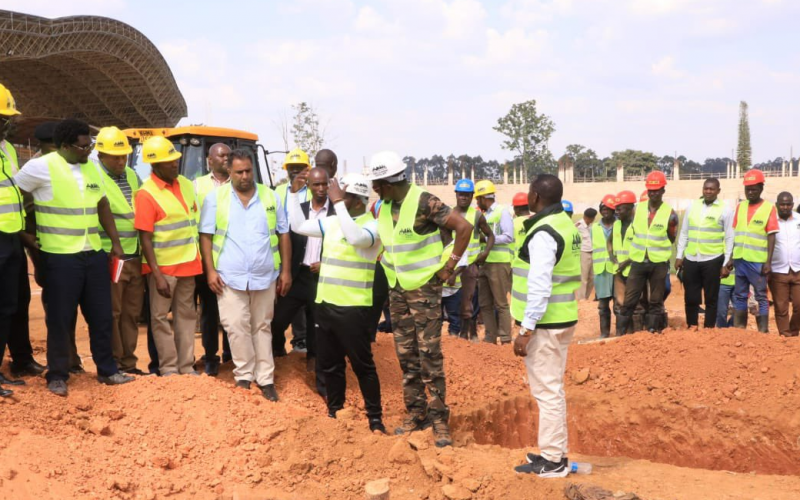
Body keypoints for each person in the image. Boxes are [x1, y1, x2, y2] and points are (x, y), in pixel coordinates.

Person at [14, 118, 134, 396]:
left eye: (90, 144)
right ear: (64, 146)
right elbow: (12, 197)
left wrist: (114, 242)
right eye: (83, 146)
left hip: (93, 254)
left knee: (101, 316)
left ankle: (107, 370)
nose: (89, 150)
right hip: (59, 257)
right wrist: (24, 234)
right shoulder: (40, 168)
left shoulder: (91, 167)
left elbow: (102, 203)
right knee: (60, 318)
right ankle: (57, 375)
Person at [369, 150, 471, 447]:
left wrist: (449, 266)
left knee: (429, 355)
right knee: (406, 355)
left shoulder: (426, 202)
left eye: (378, 184)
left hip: (424, 290)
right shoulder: (383, 207)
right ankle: (416, 413)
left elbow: (463, 229)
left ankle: (439, 420)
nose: (375, 189)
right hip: (397, 289)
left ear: (390, 182)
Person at [291, 173, 386, 432]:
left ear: (357, 200)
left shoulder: (374, 227)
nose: (335, 200)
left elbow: (356, 238)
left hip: (354, 310)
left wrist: (339, 203)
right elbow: (299, 226)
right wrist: (292, 194)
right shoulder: (333, 222)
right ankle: (335, 411)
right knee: (330, 364)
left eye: (343, 197)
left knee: (362, 365)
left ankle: (375, 419)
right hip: (326, 306)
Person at [199, 149, 291, 399]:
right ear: (229, 171)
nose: (244, 176)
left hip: (265, 275)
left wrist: (286, 271)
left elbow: (283, 233)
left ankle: (266, 378)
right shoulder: (215, 199)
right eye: (239, 171)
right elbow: (205, 236)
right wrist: (209, 271)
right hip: (229, 276)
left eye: (248, 171)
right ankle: (243, 375)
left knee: (262, 326)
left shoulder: (270, 197)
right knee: (236, 326)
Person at [511, 174, 580, 478]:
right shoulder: (565, 223)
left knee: (548, 392)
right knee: (551, 389)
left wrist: (525, 330)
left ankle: (553, 461)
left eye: (529, 191)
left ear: (536, 196)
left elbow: (539, 286)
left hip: (545, 324)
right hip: (561, 318)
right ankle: (553, 453)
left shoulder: (543, 231)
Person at [135, 136, 201, 376]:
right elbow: (145, 238)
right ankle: (169, 368)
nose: (175, 164)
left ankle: (186, 366)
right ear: (155, 165)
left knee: (186, 318)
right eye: (169, 161)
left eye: (175, 160)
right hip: (163, 270)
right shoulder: (146, 194)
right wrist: (157, 274)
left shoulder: (185, 183)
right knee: (160, 319)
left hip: (189, 265)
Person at [273, 167, 332, 396]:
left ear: (329, 184)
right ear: (309, 186)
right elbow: (285, 238)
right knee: (278, 320)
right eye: (315, 185)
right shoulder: (299, 210)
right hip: (297, 276)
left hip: (321, 278)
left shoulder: (337, 213)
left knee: (317, 324)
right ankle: (277, 352)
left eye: (323, 184)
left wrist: (325, 264)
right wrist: (285, 271)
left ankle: (314, 361)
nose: (320, 189)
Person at [94, 127, 146, 375]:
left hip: (134, 256)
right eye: (115, 157)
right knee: (112, 313)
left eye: (124, 156)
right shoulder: (94, 176)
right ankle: (114, 363)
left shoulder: (133, 176)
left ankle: (129, 363)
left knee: (131, 314)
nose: (120, 161)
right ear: (101, 155)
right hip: (111, 257)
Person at [0, 84, 40, 396]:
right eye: (2, 118)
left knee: (15, 303)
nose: (7, 124)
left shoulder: (8, 149)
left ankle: (20, 359)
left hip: (12, 237)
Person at [617, 171, 678, 334]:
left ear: (663, 190)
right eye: (651, 190)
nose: (653, 193)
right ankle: (620, 333)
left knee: (656, 301)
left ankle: (652, 332)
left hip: (658, 263)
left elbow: (672, 237)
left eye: (657, 190)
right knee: (629, 300)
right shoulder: (637, 210)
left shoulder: (670, 213)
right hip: (638, 262)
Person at [674, 178, 733, 330]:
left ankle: (708, 328)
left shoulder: (725, 210)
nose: (708, 191)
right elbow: (684, 233)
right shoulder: (692, 207)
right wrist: (679, 255)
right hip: (692, 258)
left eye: (712, 189)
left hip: (712, 259)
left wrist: (726, 263)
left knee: (711, 297)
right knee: (691, 297)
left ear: (718, 191)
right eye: (706, 188)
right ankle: (692, 325)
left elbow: (729, 237)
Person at [194, 143, 232, 375]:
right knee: (209, 311)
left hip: (230, 258)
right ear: (210, 160)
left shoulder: (240, 184)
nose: (226, 158)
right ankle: (211, 357)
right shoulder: (197, 185)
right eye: (221, 155)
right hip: (206, 258)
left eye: (229, 154)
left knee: (232, 310)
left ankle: (230, 354)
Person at [273, 148, 313, 354]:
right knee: (283, 299)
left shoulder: (314, 191)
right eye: (292, 169)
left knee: (304, 301)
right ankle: (277, 347)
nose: (296, 173)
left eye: (300, 168)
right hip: (283, 250)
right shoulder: (278, 192)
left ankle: (301, 340)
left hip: (306, 249)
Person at [732, 169, 778, 333]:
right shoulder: (740, 207)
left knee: (761, 296)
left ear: (761, 188)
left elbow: (771, 236)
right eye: (747, 189)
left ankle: (763, 331)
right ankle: (739, 329)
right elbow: (735, 233)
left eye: (754, 189)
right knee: (740, 295)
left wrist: (768, 262)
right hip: (740, 259)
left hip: (757, 261)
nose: (750, 192)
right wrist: (731, 257)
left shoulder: (769, 208)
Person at [452, 179, 493, 341]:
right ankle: (457, 332)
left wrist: (485, 253)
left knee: (468, 299)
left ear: (471, 196)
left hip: (470, 266)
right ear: (456, 194)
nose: (464, 198)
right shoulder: (448, 214)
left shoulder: (476, 216)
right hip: (452, 264)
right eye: (461, 194)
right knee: (454, 299)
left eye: (467, 195)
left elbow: (490, 236)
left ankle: (468, 332)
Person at [474, 180, 513, 344]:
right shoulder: (483, 214)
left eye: (478, 199)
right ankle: (490, 336)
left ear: (484, 197)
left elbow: (509, 236)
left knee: (501, 303)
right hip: (484, 263)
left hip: (498, 262)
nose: (476, 202)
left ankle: (505, 337)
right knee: (484, 303)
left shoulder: (501, 212)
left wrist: (488, 239)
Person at [768, 192, 800, 336]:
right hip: (778, 270)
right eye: (782, 204)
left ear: (792, 205)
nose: (785, 207)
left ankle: (793, 332)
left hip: (798, 269)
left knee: (799, 305)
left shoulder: (799, 219)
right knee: (781, 307)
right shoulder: (771, 221)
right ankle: (785, 335)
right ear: (777, 205)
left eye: (788, 204)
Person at [607, 191, 636, 335]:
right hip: (619, 271)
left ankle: (635, 334)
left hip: (634, 271)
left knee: (634, 304)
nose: (616, 211)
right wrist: (611, 255)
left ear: (630, 208)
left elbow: (643, 246)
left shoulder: (637, 225)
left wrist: (628, 261)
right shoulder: (616, 224)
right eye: (616, 208)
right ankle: (621, 334)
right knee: (619, 303)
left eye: (619, 208)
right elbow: (609, 241)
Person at [592, 195, 617, 338]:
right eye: (603, 208)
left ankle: (621, 333)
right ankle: (604, 333)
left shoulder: (619, 225)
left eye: (609, 209)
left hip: (617, 269)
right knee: (603, 306)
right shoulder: (594, 228)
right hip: (601, 270)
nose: (606, 211)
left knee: (619, 304)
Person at [575, 207, 597, 300]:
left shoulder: (590, 226)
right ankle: (581, 298)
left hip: (593, 252)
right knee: (583, 277)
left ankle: (586, 297)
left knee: (592, 277)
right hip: (583, 252)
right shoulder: (578, 226)